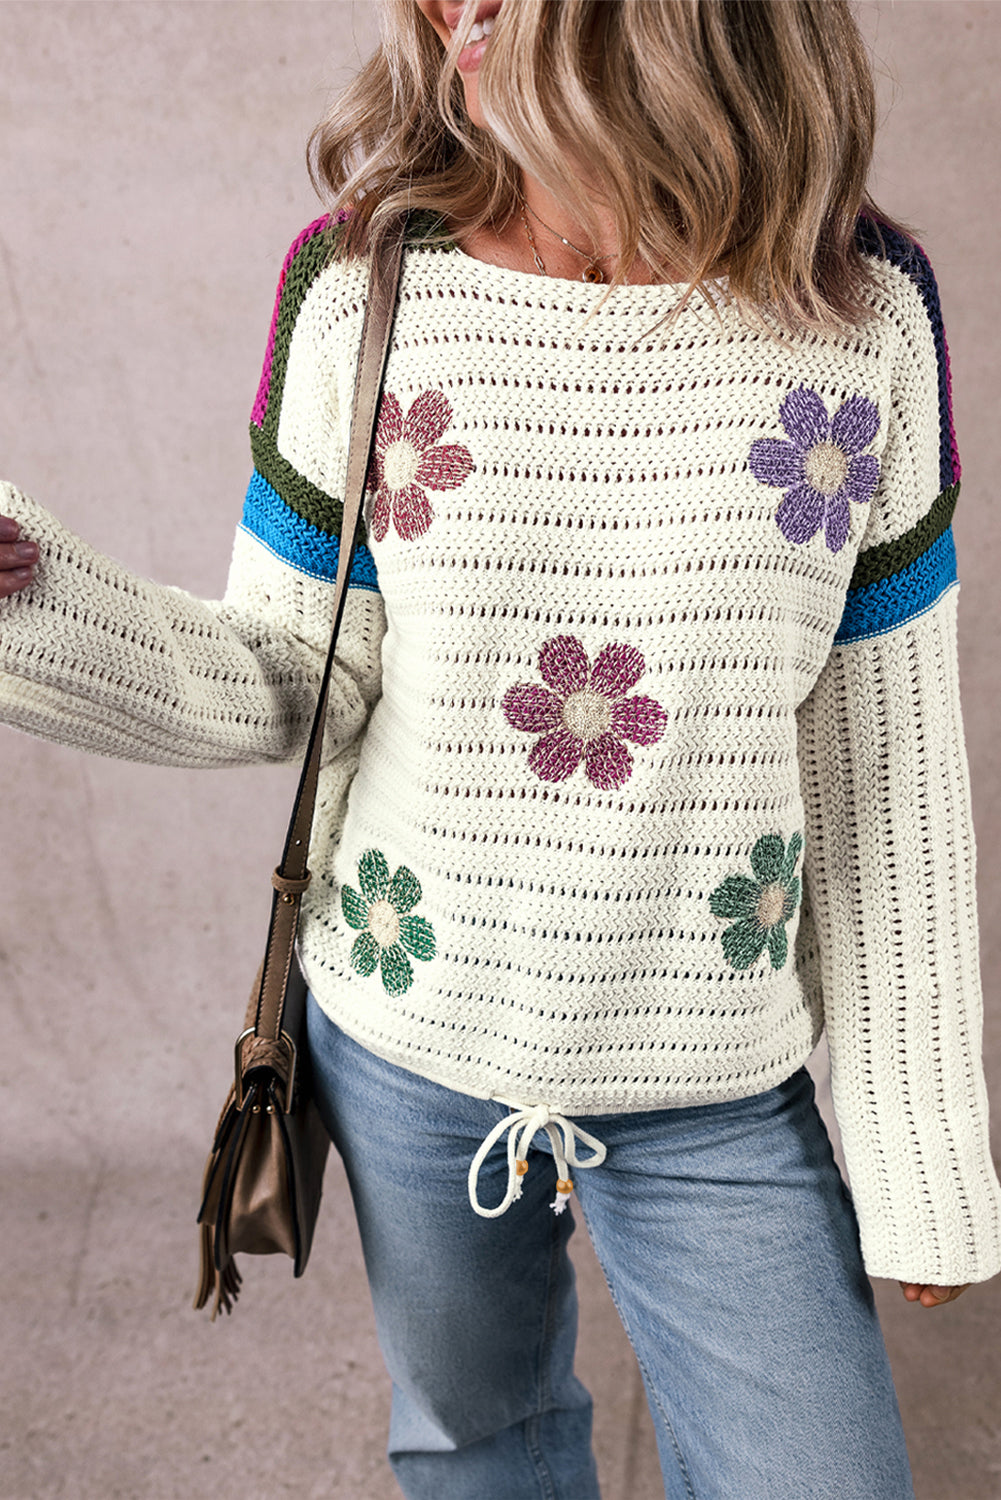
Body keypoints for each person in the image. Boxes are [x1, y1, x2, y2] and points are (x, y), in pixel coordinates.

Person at [1, 1, 998, 1495]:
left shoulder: (858, 312)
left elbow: (887, 771)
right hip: (408, 1044)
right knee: (477, 1455)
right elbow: (290, 674)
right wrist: (29, 599)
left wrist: (922, 1160)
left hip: (712, 1071)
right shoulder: (363, 287)